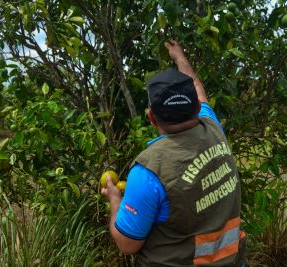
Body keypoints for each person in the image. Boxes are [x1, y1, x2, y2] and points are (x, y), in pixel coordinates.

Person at [101, 39, 246, 266]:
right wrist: (179, 57)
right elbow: (198, 89)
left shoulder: (149, 171)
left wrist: (114, 199)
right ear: (198, 108)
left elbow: (127, 245)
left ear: (151, 117)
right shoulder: (213, 128)